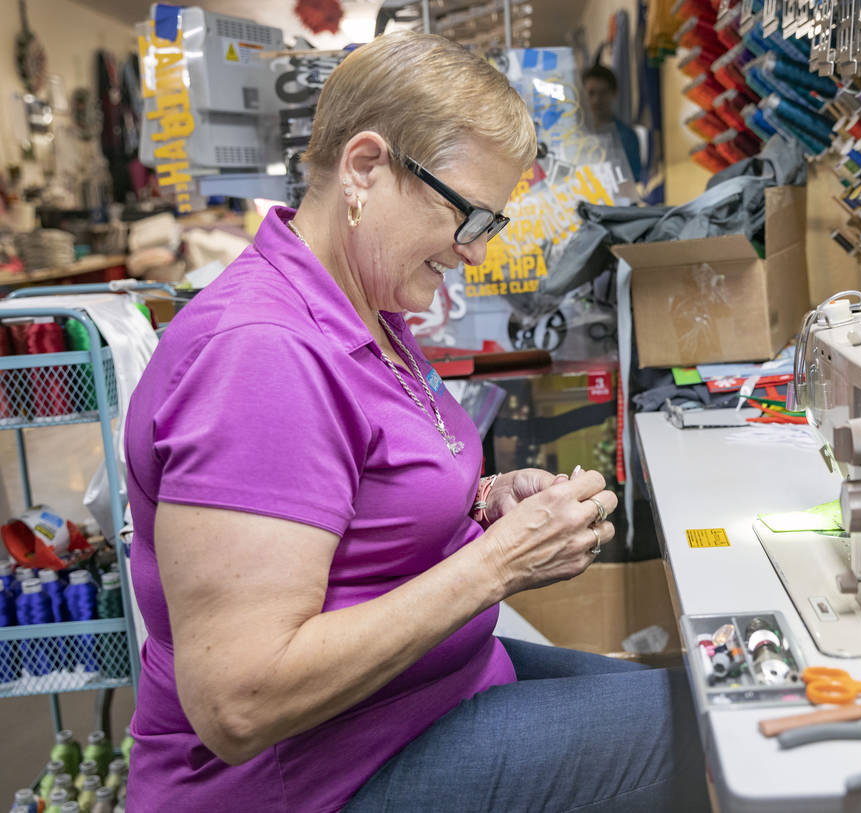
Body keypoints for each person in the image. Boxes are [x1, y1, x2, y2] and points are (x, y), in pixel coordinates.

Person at [122, 32, 708, 812]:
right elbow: (240, 700)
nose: (472, 254)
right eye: (467, 216)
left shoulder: (364, 307)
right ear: (365, 168)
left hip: (429, 693)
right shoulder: (261, 356)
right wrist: (498, 562)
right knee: (725, 734)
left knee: (708, 691)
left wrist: (484, 497)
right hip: (315, 775)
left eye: (489, 226)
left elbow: (353, 501)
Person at [582, 63, 643, 182]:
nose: (597, 100)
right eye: (591, 93)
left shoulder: (626, 137)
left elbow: (630, 181)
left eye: (603, 92)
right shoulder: (577, 136)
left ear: (613, 94)